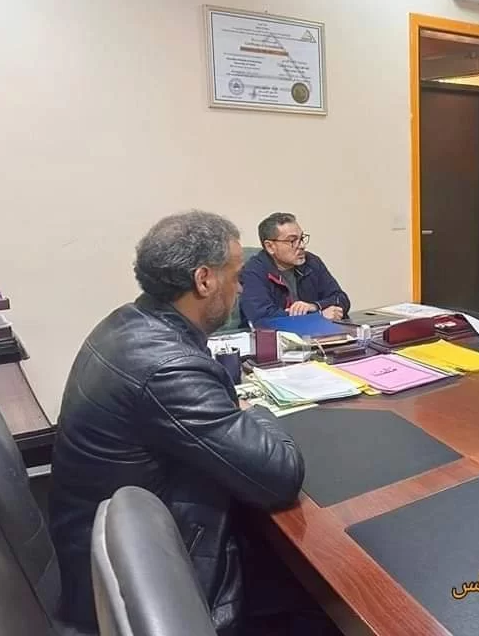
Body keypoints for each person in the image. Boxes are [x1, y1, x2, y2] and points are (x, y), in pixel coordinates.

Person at [48, 211, 336, 636]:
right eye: (235, 276)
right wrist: (254, 409)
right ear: (204, 280)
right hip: (145, 581)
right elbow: (280, 476)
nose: (241, 288)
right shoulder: (168, 368)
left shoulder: (125, 321)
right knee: (319, 582)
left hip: (104, 546)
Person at [240, 212, 350, 325]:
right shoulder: (253, 271)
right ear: (270, 247)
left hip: (316, 333)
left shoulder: (311, 262)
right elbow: (263, 319)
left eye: (301, 238)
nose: (302, 246)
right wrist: (318, 316)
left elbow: (341, 299)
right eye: (292, 241)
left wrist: (314, 306)